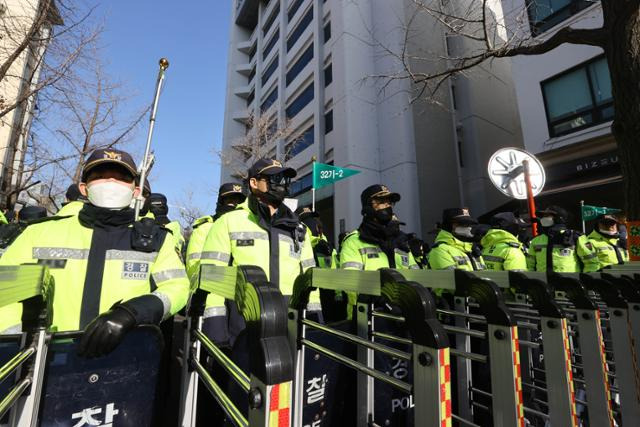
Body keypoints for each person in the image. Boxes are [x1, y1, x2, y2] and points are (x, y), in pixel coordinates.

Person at [0, 149, 190, 359]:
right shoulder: (37, 233)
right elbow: (6, 291)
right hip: (44, 362)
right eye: (100, 176)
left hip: (124, 357)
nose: (111, 182)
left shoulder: (157, 240)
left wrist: (132, 313)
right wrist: (17, 346)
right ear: (84, 188)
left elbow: (177, 287)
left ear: (136, 191)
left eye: (121, 178)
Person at [199, 158, 316, 341]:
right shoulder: (228, 222)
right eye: (274, 178)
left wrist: (315, 322)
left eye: (284, 179)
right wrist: (216, 331)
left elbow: (310, 279)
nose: (281, 184)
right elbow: (212, 279)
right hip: (242, 327)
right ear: (253, 183)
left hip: (289, 327)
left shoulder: (299, 229)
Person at [185, 183, 245, 346]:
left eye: (238, 201)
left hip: (240, 303)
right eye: (229, 201)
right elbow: (194, 268)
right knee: (210, 352)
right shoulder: (204, 228)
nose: (233, 205)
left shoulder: (248, 229)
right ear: (220, 202)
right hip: (211, 301)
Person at [527, 206, 596, 272]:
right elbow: (529, 265)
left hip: (570, 282)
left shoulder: (575, 237)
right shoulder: (536, 241)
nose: (543, 218)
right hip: (544, 282)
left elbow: (592, 262)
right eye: (543, 216)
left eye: (547, 216)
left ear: (559, 218)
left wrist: (586, 280)